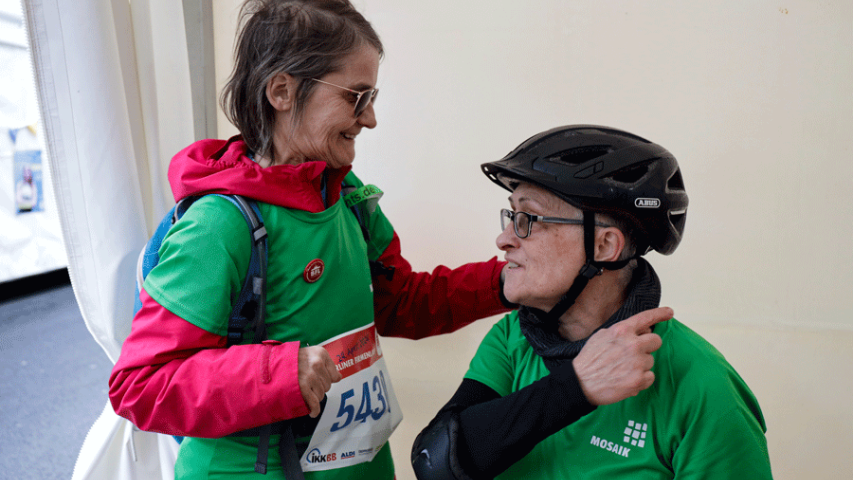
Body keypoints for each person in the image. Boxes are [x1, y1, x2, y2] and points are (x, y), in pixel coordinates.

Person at [108, 1, 517, 478]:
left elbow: (400, 302)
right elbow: (140, 385)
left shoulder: (346, 196)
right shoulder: (219, 225)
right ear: (282, 90)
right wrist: (281, 374)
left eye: (372, 97)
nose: (370, 119)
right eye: (355, 97)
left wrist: (508, 282)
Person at [411, 125, 773, 479]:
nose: (503, 239)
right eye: (510, 215)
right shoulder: (512, 339)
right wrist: (576, 387)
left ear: (603, 246)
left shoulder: (701, 385)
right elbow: (432, 462)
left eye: (528, 218)